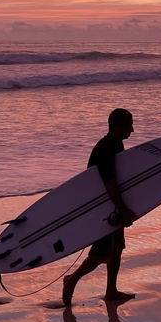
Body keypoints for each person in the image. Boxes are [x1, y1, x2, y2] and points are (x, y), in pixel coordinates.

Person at [62, 108, 138, 306]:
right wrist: (122, 209)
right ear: (119, 125)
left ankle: (111, 290)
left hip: (111, 205)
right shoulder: (106, 148)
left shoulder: (116, 145)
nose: (132, 130)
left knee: (118, 248)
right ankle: (72, 279)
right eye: (130, 125)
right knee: (102, 253)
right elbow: (109, 183)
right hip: (102, 208)